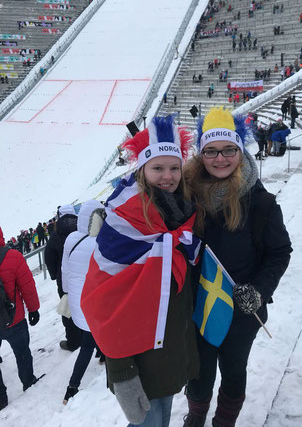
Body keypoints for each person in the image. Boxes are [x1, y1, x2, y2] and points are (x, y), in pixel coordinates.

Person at [81, 115, 201, 427]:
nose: (168, 176)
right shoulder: (125, 224)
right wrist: (121, 370)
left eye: (174, 167)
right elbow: (99, 301)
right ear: (142, 170)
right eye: (158, 168)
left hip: (168, 350)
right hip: (139, 357)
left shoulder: (181, 212)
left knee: (162, 419)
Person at [183, 107, 292, 427]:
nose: (220, 159)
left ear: (240, 150)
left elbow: (280, 252)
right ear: (201, 154)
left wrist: (259, 291)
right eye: (211, 151)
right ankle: (196, 416)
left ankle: (224, 421)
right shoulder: (186, 195)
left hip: (242, 310)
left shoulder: (261, 202)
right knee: (199, 372)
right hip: (197, 306)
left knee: (233, 369)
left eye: (229, 150)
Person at [61, 200, 105, 404]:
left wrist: (67, 293)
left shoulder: (71, 238)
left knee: (89, 337)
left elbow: (65, 270)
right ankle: (73, 386)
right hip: (95, 302)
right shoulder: (101, 241)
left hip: (78, 302)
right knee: (92, 340)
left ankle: (73, 386)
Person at [0, 227, 42, 410]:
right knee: (22, 353)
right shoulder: (13, 257)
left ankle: (1, 399)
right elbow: (27, 286)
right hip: (14, 319)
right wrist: (33, 309)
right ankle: (28, 382)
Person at [45, 205, 82, 352]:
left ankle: (73, 342)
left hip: (65, 281)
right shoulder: (83, 228)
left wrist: (55, 275)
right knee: (87, 305)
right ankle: (90, 336)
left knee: (68, 310)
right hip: (85, 275)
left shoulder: (55, 236)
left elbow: (49, 258)